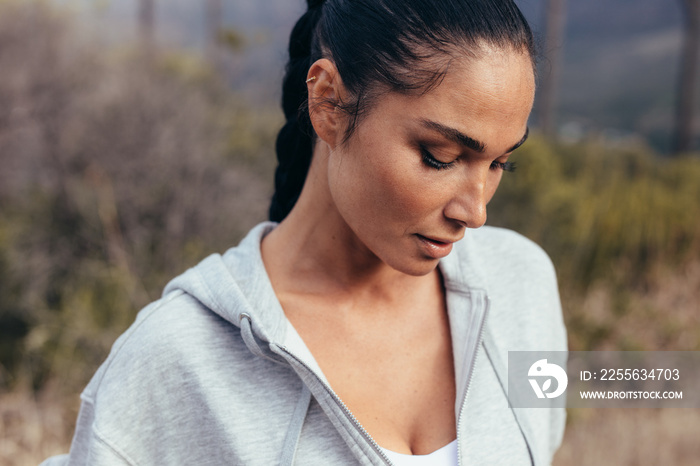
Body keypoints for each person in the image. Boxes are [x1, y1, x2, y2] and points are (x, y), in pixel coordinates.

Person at [43, 0, 567, 464]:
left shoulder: (522, 284)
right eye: (441, 157)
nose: (476, 212)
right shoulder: (174, 361)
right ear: (329, 103)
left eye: (500, 163)